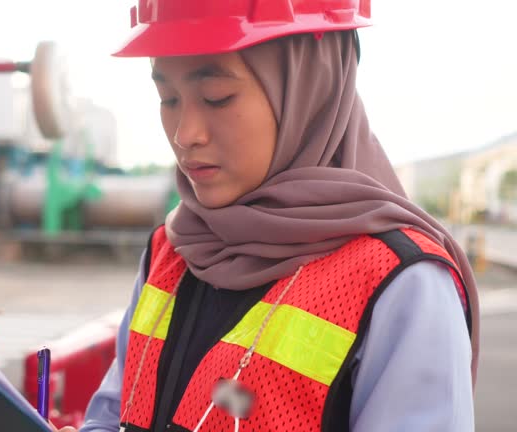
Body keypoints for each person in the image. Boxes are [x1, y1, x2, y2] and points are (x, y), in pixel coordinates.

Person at [57, 1, 480, 431]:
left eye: (216, 98)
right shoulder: (172, 250)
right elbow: (115, 410)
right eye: (168, 99)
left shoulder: (400, 283)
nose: (185, 134)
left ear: (309, 90)